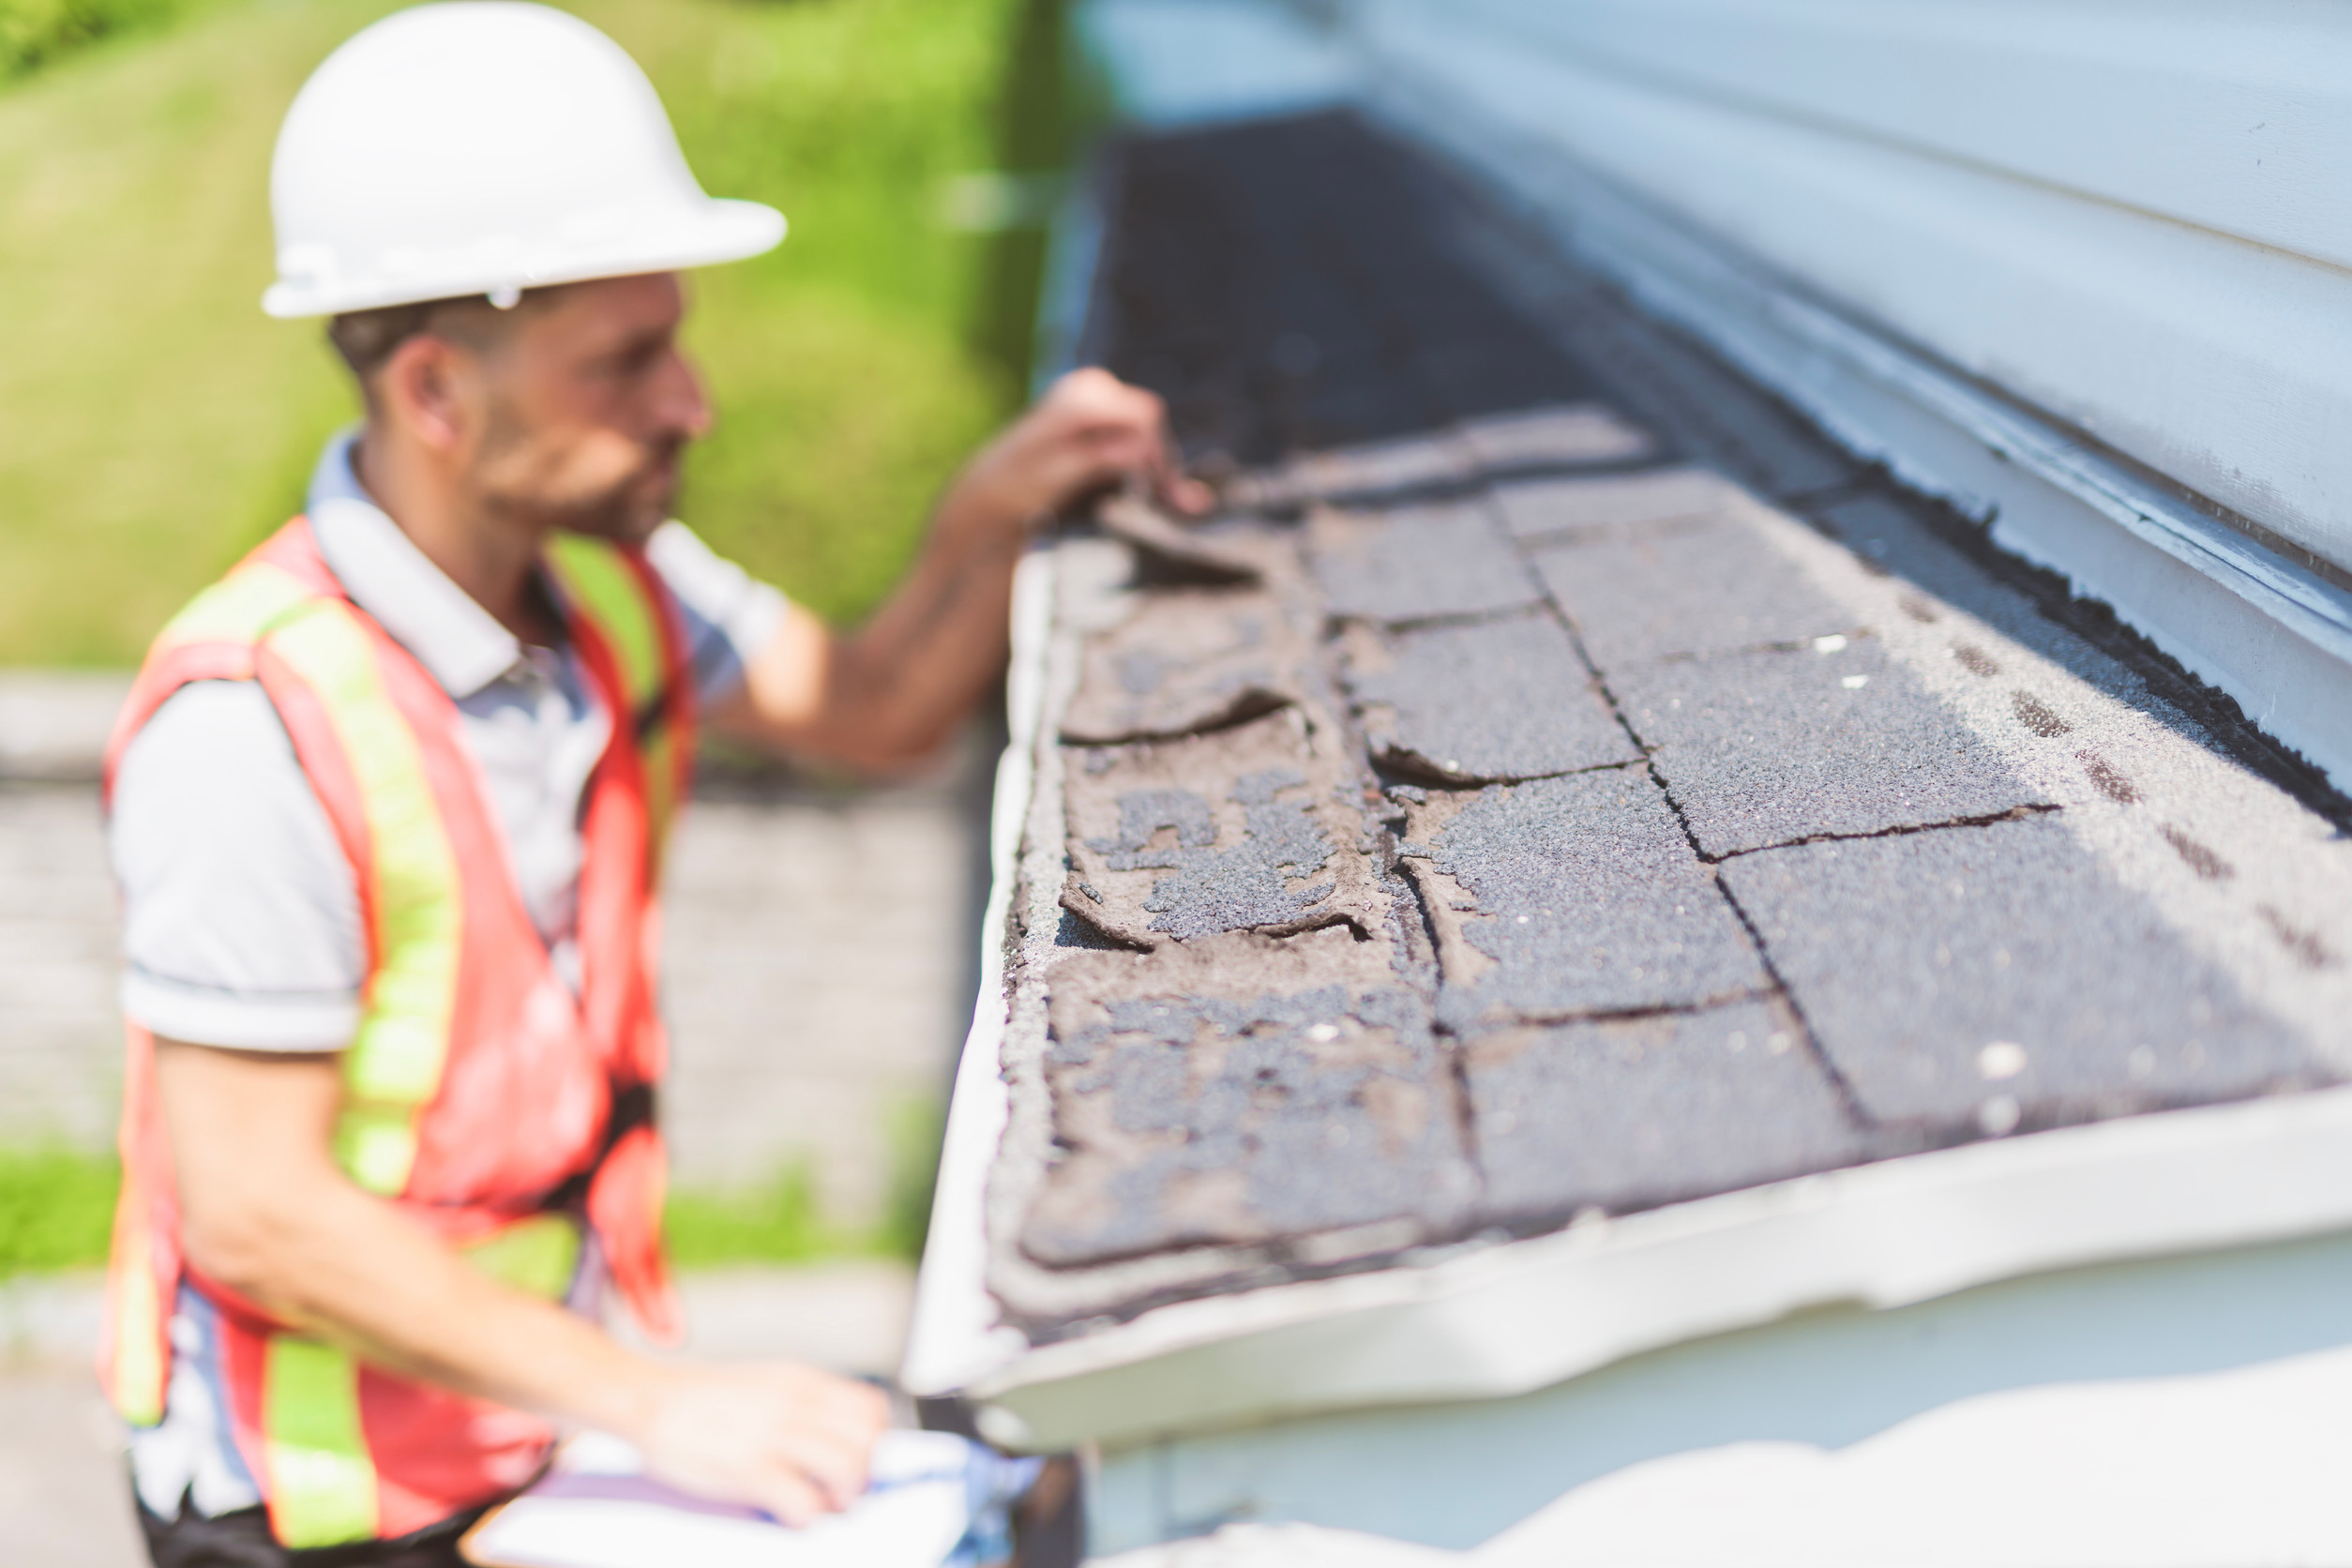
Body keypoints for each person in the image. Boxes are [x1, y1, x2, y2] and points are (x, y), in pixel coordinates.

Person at [97, 6, 1206, 1562]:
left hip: (537, 1433)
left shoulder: (620, 588)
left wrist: (994, 507)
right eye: (627, 360)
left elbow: (877, 708)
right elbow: (252, 1210)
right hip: (326, 1508)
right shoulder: (255, 718)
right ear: (434, 393)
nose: (690, 402)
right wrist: (660, 1400)